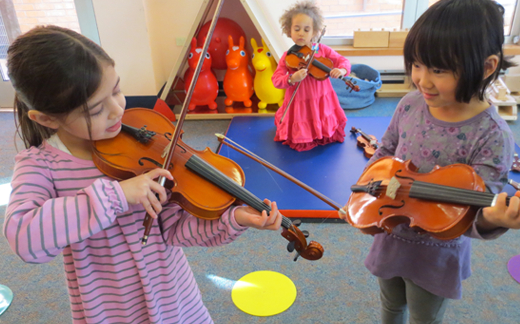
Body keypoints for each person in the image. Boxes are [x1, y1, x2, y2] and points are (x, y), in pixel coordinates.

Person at [3, 25, 284, 324]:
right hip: (112, 312)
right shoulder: (40, 166)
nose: (117, 111)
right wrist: (118, 194)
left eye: (117, 90)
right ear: (46, 118)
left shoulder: (143, 146)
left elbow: (175, 230)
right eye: (95, 110)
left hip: (177, 302)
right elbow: (24, 238)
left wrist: (233, 218)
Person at [339, 0, 520, 323]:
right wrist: (364, 194)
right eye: (417, 64)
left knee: (424, 317)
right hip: (390, 231)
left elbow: (474, 217)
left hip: (436, 253)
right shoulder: (410, 104)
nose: (422, 80)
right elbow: (386, 151)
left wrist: (494, 218)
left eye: (439, 70)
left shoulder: (493, 137)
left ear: (487, 66)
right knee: (391, 305)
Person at [272, 0, 351, 152]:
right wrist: (292, 78)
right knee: (303, 120)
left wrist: (341, 70)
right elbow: (276, 80)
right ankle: (304, 136)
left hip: (321, 97)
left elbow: (343, 61)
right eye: (297, 29)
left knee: (321, 116)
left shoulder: (322, 50)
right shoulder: (288, 56)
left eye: (306, 29)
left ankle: (321, 133)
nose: (301, 33)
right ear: (289, 30)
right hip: (300, 100)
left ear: (315, 32)